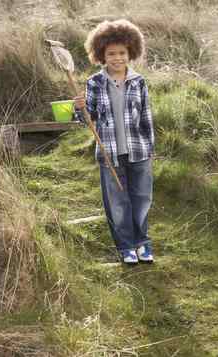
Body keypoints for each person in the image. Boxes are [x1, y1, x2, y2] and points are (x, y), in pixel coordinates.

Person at [74, 19, 154, 264]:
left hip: (138, 150)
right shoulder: (95, 83)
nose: (117, 58)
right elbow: (88, 118)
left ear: (131, 52)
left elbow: (146, 117)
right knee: (117, 202)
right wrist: (79, 109)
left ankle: (142, 242)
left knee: (141, 197)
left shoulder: (139, 81)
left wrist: (150, 149)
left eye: (122, 53)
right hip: (109, 151)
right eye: (111, 53)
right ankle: (126, 246)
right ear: (101, 54)